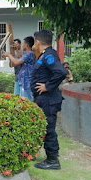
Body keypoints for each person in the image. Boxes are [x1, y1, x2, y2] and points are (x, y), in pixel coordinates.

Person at [31, 29, 67, 170]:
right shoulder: (43, 55)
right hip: (43, 99)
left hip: (49, 100)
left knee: (48, 129)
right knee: (42, 127)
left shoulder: (49, 55)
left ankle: (52, 160)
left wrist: (48, 86)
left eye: (34, 41)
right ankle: (34, 152)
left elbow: (61, 71)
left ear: (37, 42)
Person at [3, 36, 36, 101]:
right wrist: (15, 49)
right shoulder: (26, 54)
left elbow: (16, 62)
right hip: (23, 82)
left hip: (27, 83)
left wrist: (9, 55)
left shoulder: (29, 54)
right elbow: (19, 55)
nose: (22, 46)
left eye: (23, 44)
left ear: (26, 45)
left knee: (27, 102)